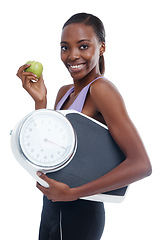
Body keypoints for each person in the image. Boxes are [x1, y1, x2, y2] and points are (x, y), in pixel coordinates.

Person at [16, 12, 152, 240]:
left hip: (81, 211)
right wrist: (40, 102)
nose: (72, 56)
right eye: (65, 47)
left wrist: (73, 193)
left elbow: (141, 164)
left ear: (101, 48)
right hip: (52, 207)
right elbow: (50, 153)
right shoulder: (64, 93)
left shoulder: (101, 90)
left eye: (83, 46)